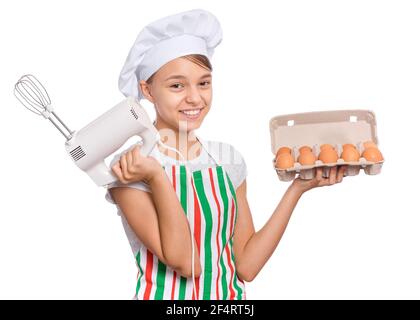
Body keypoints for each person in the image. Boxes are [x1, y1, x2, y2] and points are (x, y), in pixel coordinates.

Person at [105, 9, 347, 300]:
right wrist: (156, 176)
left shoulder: (227, 160)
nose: (195, 97)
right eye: (177, 85)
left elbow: (246, 266)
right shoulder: (130, 166)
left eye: (204, 83)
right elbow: (186, 262)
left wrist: (297, 189)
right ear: (148, 90)